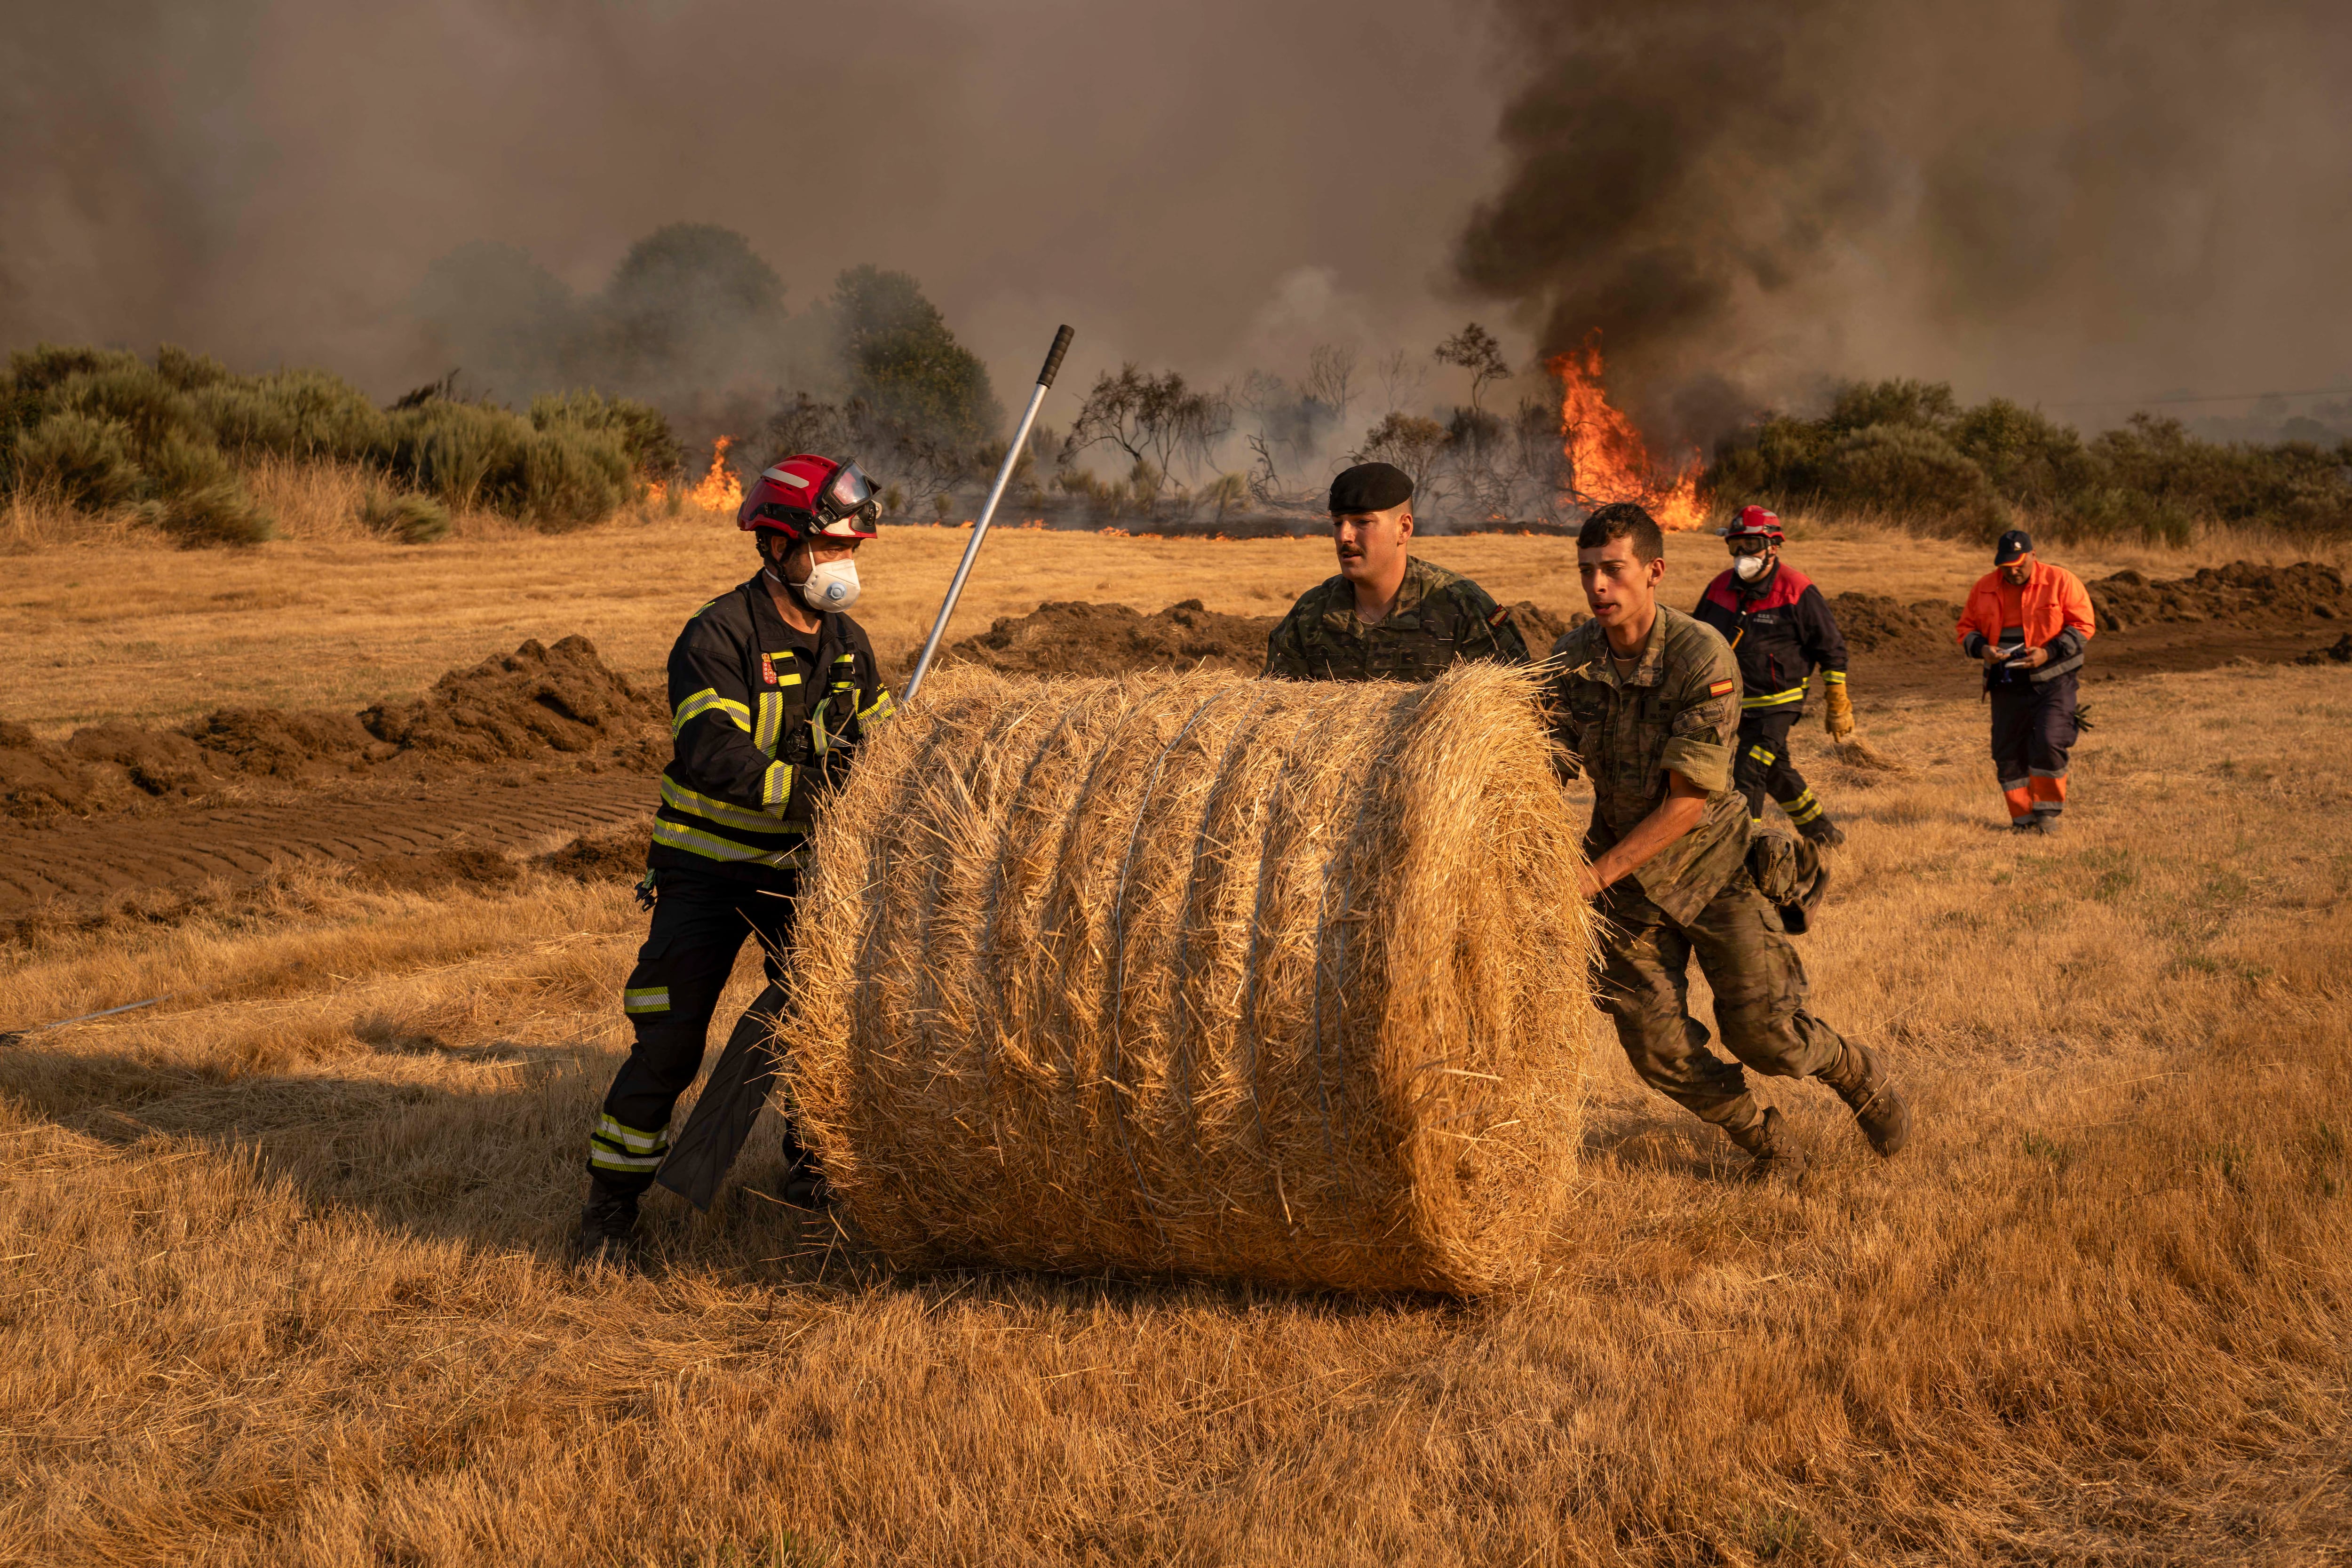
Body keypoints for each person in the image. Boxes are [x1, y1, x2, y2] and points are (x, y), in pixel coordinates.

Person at [575, 453, 896, 1260]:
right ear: (777, 546)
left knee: (822, 1025)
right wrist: (813, 787)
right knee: (671, 1041)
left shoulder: (849, 646)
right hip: (707, 872)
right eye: (830, 548)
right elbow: (711, 750)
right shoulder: (715, 635)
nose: (843, 564)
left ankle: (813, 1170)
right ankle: (610, 1207)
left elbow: (890, 745)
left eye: (852, 550)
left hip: (802, 873)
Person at [1547, 501, 1910, 1182]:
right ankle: (1767, 1143)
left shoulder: (1699, 656)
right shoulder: (1572, 661)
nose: (1599, 587)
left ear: (1654, 571)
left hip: (1712, 870)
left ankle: (1854, 1072)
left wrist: (1586, 880)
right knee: (1657, 1049)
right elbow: (1542, 761)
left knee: (1764, 1034)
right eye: (1588, 571)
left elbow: (1687, 805)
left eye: (1614, 571)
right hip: (1628, 886)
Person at [1263, 461, 1529, 680]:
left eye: (1362, 522)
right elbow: (1276, 711)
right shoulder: (1311, 613)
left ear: (1404, 528)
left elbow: (1520, 706)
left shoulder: (1462, 607)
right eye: (1337, 523)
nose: (1344, 536)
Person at [1692, 505, 1853, 846]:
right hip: (1734, 704)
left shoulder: (1797, 590)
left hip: (1779, 704)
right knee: (1777, 773)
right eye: (1736, 547)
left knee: (1748, 772)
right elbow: (1698, 640)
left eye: (1750, 546)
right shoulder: (1719, 588)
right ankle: (1824, 834)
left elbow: (1832, 647)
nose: (1742, 556)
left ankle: (1744, 851)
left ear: (1772, 546)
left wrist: (1837, 698)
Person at [1955, 529, 2096, 835]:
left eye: (2019, 564)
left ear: (2033, 555)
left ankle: (2046, 814)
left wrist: (2049, 653)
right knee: (2006, 751)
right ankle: (2022, 819)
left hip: (2054, 679)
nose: (2013, 571)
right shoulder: (1983, 588)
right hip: (2005, 681)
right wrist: (1983, 650)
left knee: (2048, 739)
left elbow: (2084, 625)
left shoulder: (2061, 581)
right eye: (2006, 566)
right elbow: (1965, 628)